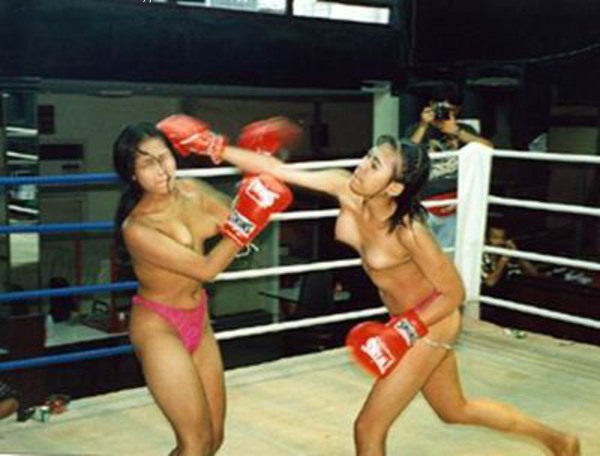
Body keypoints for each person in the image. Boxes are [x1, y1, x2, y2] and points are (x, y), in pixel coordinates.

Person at [156, 114, 580, 456]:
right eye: (368, 157)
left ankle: (557, 441)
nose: (362, 166)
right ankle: (558, 441)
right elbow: (279, 170)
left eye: (374, 165)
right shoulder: (346, 188)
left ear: (394, 187)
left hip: (429, 322)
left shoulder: (409, 230)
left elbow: (454, 293)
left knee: (368, 428)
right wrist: (214, 145)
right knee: (455, 410)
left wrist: (406, 329)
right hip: (404, 322)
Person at [112, 122, 292, 456]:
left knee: (212, 440)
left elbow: (237, 219)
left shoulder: (193, 189)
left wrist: (256, 175)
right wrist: (246, 220)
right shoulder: (137, 227)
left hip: (198, 318)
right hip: (158, 326)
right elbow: (208, 268)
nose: (161, 168)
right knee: (193, 444)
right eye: (147, 163)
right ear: (133, 174)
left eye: (164, 157)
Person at [405, 84, 494, 250]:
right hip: (422, 201)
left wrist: (456, 131)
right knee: (419, 252)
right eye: (440, 108)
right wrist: (423, 126)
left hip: (454, 202)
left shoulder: (465, 130)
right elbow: (406, 156)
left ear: (458, 110)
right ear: (431, 105)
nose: (443, 113)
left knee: (448, 254)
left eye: (450, 109)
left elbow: (488, 149)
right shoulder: (416, 129)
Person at [483, 223, 539, 288]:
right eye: (495, 238)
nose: (500, 241)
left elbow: (534, 274)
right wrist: (503, 260)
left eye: (502, 238)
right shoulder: (482, 257)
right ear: (486, 239)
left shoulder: (507, 254)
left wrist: (516, 253)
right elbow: (490, 283)